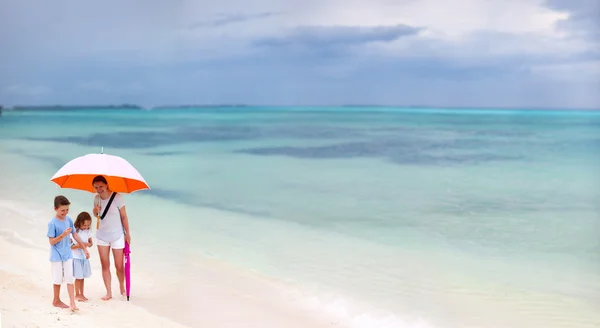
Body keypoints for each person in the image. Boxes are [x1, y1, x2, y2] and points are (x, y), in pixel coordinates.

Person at [47, 195, 90, 312]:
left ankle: (72, 303)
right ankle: (56, 300)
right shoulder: (52, 223)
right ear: (55, 208)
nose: (65, 212)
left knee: (69, 279)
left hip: (68, 254)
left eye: (67, 210)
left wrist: (84, 249)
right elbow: (51, 242)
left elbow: (75, 235)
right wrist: (63, 235)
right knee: (57, 280)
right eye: (62, 210)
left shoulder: (69, 219)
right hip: (56, 255)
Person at [91, 175, 131, 301]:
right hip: (102, 235)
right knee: (105, 265)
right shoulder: (96, 199)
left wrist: (127, 234)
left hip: (117, 235)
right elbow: (97, 216)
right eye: (96, 187)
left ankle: (121, 285)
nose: (99, 189)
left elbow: (124, 216)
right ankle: (108, 292)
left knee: (119, 266)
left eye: (101, 186)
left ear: (106, 185)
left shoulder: (117, 197)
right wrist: (95, 211)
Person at [71, 211, 93, 302]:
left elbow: (91, 243)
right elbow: (71, 247)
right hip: (76, 257)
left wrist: (87, 244)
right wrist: (81, 245)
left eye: (88, 225)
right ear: (79, 222)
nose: (86, 227)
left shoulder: (88, 231)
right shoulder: (75, 232)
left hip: (84, 257)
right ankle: (77, 294)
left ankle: (82, 294)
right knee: (78, 277)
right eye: (84, 225)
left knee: (82, 277)